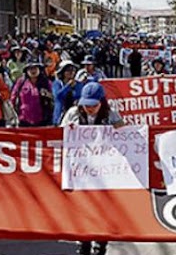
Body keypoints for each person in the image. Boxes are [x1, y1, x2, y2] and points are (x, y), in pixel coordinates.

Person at [60, 82, 123, 255]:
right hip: (80, 171)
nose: (89, 108)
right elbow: (58, 135)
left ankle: (101, 243)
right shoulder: (72, 114)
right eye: (86, 105)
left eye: (93, 105)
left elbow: (126, 137)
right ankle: (83, 241)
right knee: (83, 208)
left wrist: (118, 130)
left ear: (102, 102)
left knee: (104, 209)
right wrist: (68, 130)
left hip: (105, 172)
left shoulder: (112, 115)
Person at [11, 63, 54, 127]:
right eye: (30, 69)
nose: (33, 71)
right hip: (23, 119)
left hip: (43, 119)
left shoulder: (47, 83)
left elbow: (55, 97)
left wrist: (48, 94)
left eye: (35, 68)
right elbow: (13, 98)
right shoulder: (21, 82)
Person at [52, 61, 80, 125]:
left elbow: (79, 96)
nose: (71, 72)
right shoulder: (57, 83)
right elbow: (58, 96)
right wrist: (68, 86)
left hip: (73, 116)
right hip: (60, 116)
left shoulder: (77, 84)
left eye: (73, 70)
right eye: (68, 70)